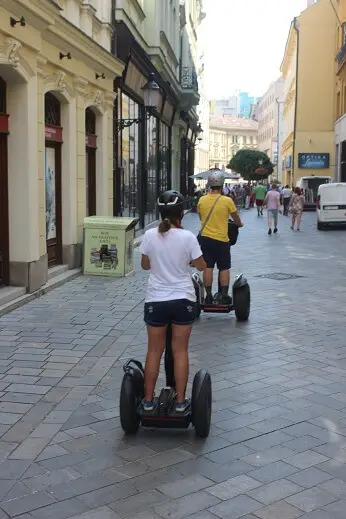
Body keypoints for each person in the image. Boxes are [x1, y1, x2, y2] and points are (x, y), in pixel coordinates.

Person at [139, 190, 206, 413]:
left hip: (156, 299)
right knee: (180, 351)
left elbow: (145, 266)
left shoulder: (149, 235)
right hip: (182, 299)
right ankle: (179, 403)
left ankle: (148, 401)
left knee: (153, 352)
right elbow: (201, 265)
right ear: (182, 213)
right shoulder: (187, 237)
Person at [197, 170, 243, 305]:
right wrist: (239, 224)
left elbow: (201, 218)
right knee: (224, 267)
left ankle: (209, 296)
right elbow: (237, 220)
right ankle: (223, 295)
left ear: (209, 184)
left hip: (205, 238)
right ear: (222, 185)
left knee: (208, 267)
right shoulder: (227, 200)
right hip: (222, 240)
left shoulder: (202, 199)